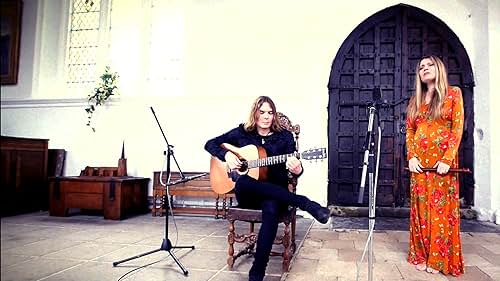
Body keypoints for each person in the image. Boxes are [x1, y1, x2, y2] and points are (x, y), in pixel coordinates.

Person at [205, 96, 330, 281]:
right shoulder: (242, 133)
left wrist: (297, 169)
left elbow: (295, 171)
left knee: (271, 209)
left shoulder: (285, 137)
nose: (266, 117)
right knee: (244, 181)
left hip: (275, 193)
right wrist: (226, 156)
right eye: (262, 112)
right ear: (254, 113)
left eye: (270, 113)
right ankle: (305, 203)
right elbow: (210, 144)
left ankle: (257, 271)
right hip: (249, 195)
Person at [406, 55, 465, 276]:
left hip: (441, 163)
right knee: (420, 211)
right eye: (421, 67)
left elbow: (457, 128)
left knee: (439, 211)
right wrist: (411, 157)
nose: (425, 69)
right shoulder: (416, 100)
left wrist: (447, 159)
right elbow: (410, 130)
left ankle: (439, 260)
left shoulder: (453, 93)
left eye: (429, 65)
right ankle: (421, 254)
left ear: (439, 69)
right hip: (419, 164)